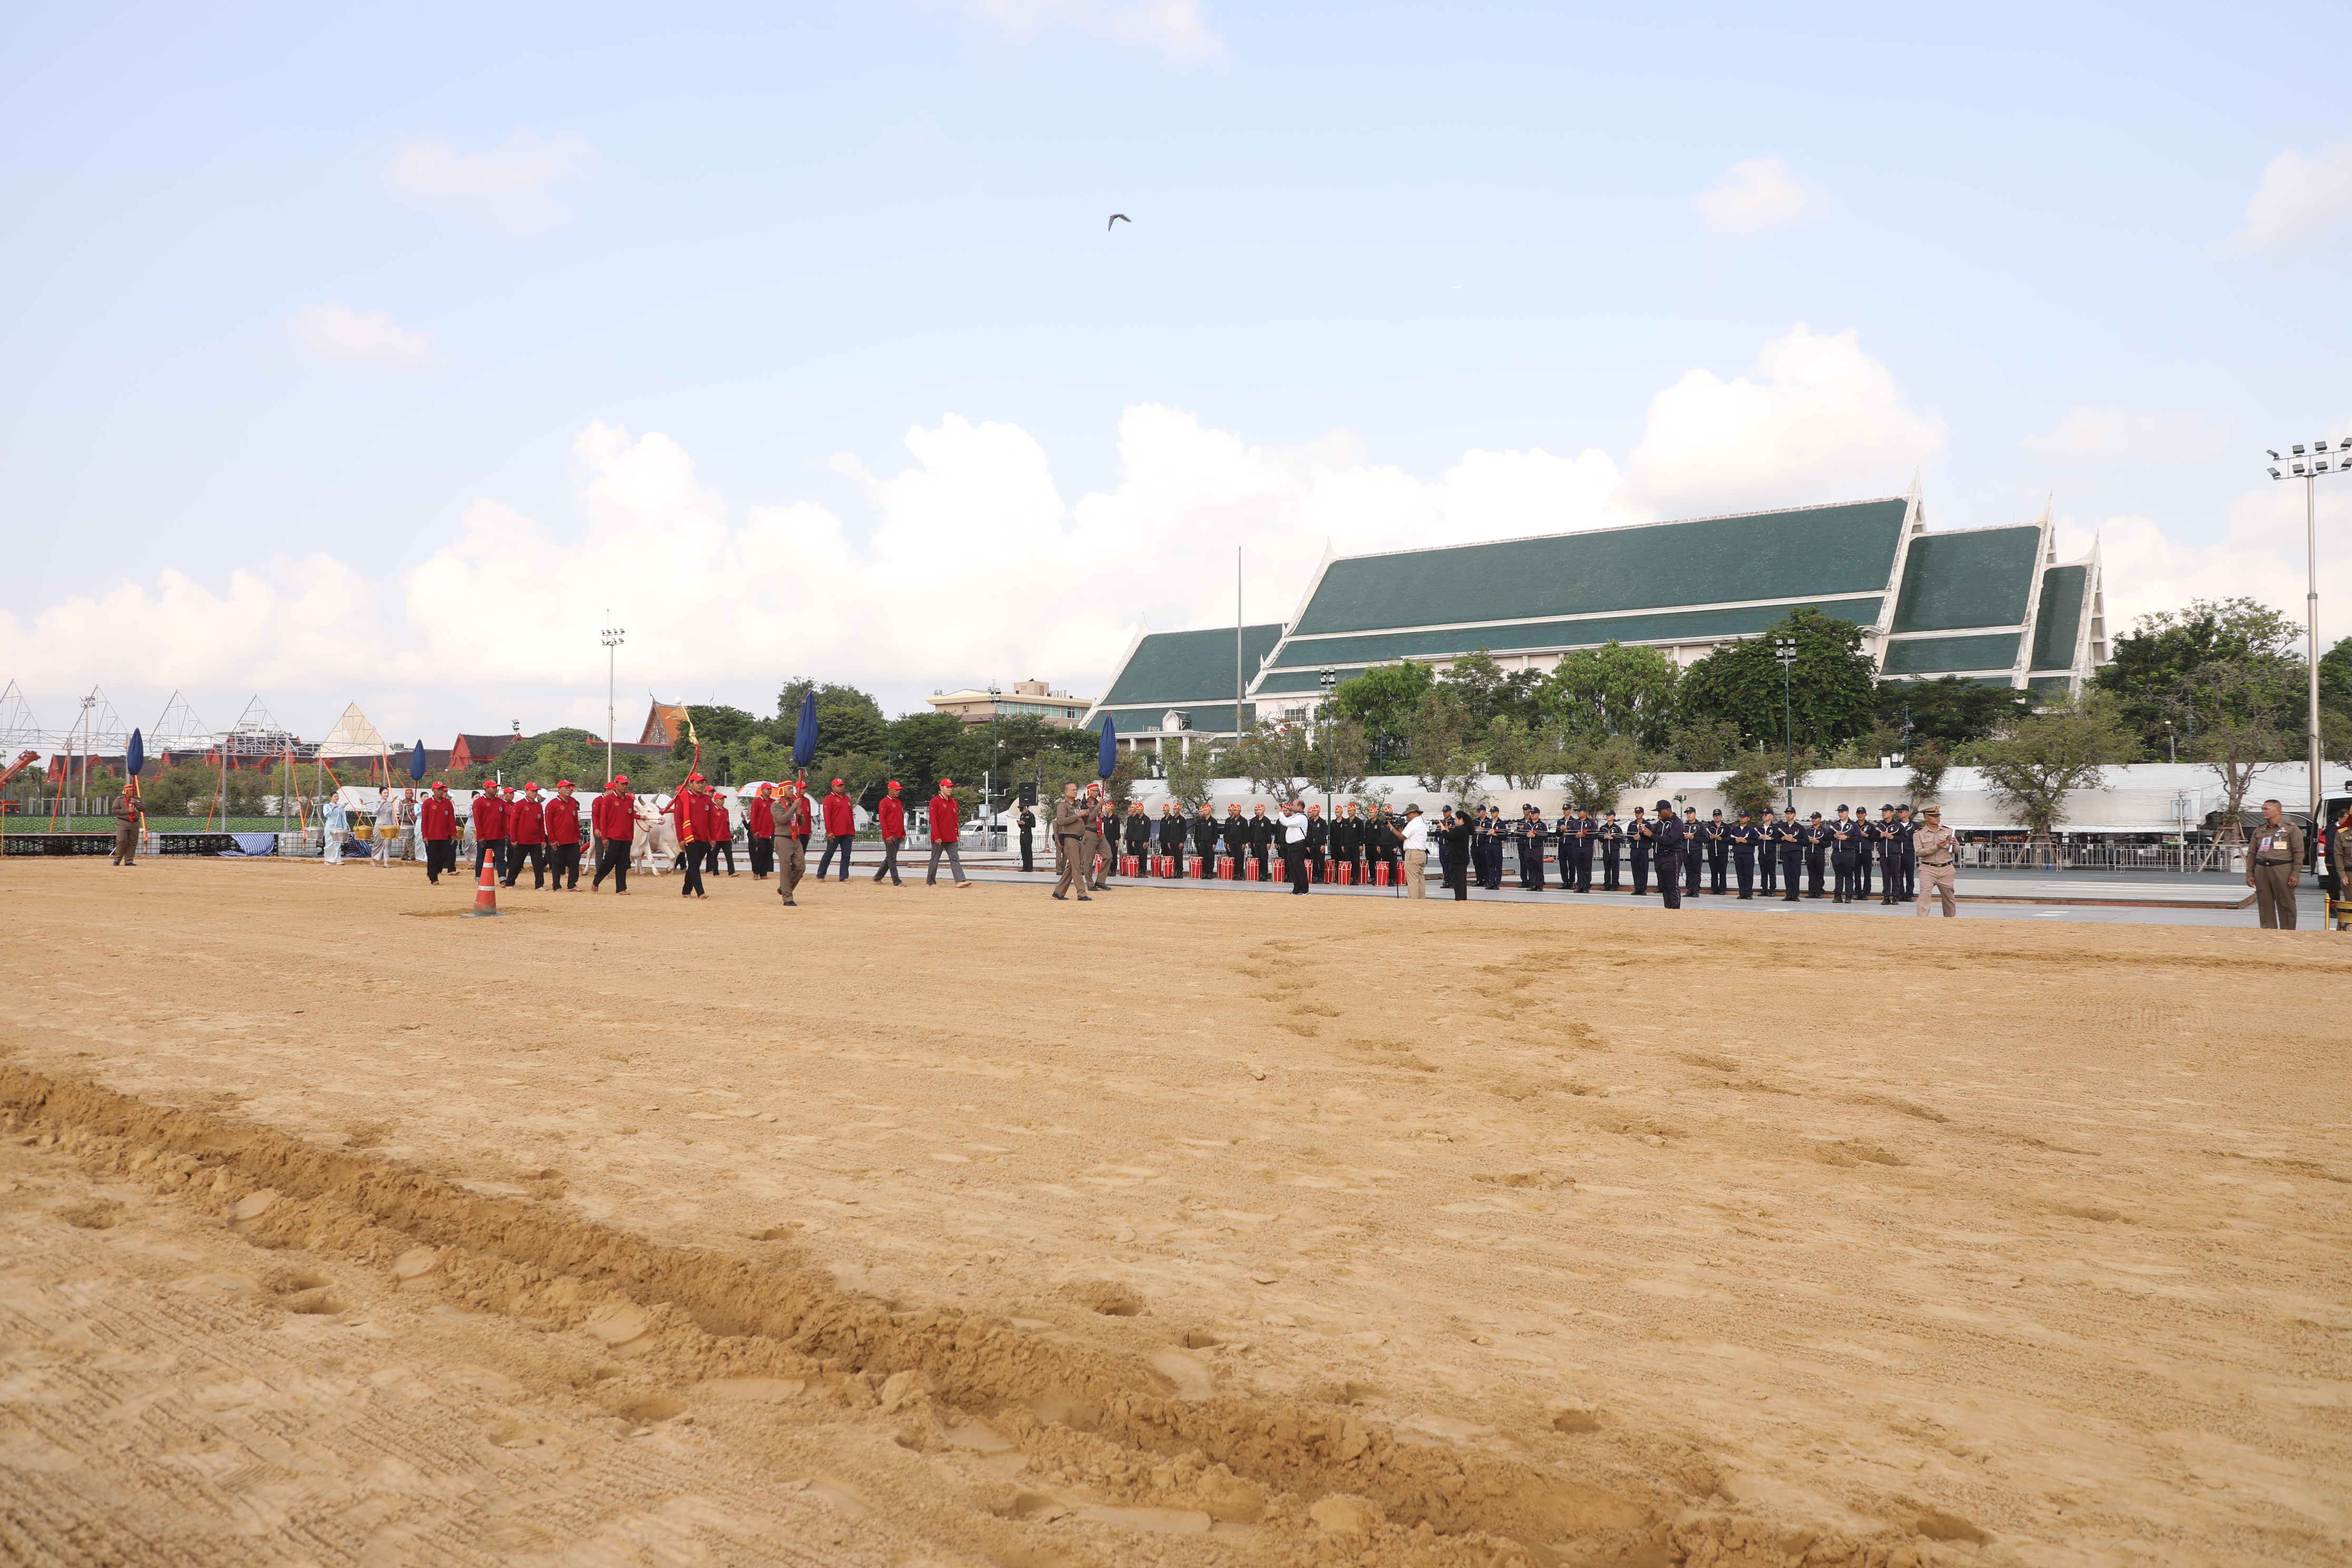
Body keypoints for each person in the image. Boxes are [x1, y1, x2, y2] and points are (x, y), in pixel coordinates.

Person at [2246, 798, 2305, 930]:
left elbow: (2299, 853)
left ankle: (2288, 931)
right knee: (2264, 903)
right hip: (2262, 869)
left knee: (2285, 902)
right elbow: (2252, 853)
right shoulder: (2260, 829)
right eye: (2262, 809)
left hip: (2282, 868)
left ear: (2278, 810)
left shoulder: (2291, 828)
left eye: (2266, 809)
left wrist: (2296, 873)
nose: (2263, 811)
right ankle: (2268, 930)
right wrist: (2250, 873)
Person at [1911, 805, 1958, 917]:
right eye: (1934, 816)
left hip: (1946, 868)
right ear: (1926, 818)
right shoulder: (1919, 834)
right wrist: (1936, 847)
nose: (1937, 818)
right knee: (1925, 893)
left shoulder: (1948, 831)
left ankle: (1950, 920)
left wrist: (1955, 845)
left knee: (1949, 896)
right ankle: (1923, 920)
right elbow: (1919, 852)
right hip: (1928, 868)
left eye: (1938, 816)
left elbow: (1957, 850)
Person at [590, 777, 634, 893]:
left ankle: (621, 888)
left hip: (626, 837)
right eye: (622, 784)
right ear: (616, 784)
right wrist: (605, 837)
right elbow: (603, 819)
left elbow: (631, 819)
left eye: (626, 784)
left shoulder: (630, 800)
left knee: (623, 863)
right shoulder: (609, 799)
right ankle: (597, 880)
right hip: (613, 836)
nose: (625, 786)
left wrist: (631, 836)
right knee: (609, 861)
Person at [927, 779, 973, 887]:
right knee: (935, 859)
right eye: (948, 787)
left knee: (955, 858)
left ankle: (960, 881)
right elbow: (933, 820)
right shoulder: (935, 801)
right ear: (941, 787)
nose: (950, 789)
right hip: (939, 837)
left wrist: (957, 834)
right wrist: (937, 835)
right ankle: (931, 882)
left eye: (951, 787)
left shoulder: (953, 802)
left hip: (951, 836)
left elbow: (955, 819)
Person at [772, 780, 811, 905]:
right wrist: (794, 808)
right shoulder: (776, 805)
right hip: (783, 839)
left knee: (801, 867)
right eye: (789, 789)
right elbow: (782, 820)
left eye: (792, 789)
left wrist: (800, 814)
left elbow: (801, 823)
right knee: (786, 870)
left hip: (795, 839)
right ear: (782, 791)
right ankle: (788, 898)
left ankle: (785, 888)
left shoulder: (793, 804)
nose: (792, 791)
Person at [1052, 782, 1092, 900]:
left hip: (1079, 838)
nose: (1075, 792)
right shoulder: (1063, 806)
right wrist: (1077, 815)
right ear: (1066, 792)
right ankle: (1082, 894)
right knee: (1076, 867)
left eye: (1076, 790)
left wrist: (1085, 815)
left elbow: (1084, 822)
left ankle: (1059, 891)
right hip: (1070, 838)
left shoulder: (1078, 805)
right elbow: (1061, 822)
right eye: (1073, 790)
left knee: (1072, 867)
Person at [506, 782, 547, 889]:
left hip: (536, 840)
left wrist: (543, 839)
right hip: (522, 840)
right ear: (526, 791)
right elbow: (513, 823)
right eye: (532, 791)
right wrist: (514, 838)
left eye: (536, 791)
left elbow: (541, 824)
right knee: (517, 862)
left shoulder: (538, 806)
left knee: (538, 863)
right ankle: (510, 883)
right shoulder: (519, 805)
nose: (535, 793)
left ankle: (539, 885)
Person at [546, 780, 583, 890]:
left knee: (575, 860)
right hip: (559, 839)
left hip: (572, 839)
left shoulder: (573, 802)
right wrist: (552, 839)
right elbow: (549, 823)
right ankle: (557, 885)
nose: (569, 790)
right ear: (559, 790)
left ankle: (572, 884)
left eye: (570, 788)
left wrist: (579, 837)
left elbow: (575, 820)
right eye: (566, 788)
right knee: (557, 863)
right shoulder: (552, 804)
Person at [818, 779, 857, 880]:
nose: (841, 787)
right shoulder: (829, 799)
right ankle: (821, 875)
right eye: (838, 786)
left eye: (842, 785)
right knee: (829, 853)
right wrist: (829, 831)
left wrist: (853, 830)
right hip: (835, 832)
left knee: (846, 855)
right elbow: (827, 816)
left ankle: (844, 876)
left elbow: (850, 815)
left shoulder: (847, 799)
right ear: (833, 787)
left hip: (847, 831)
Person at [420, 781, 458, 884]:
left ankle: (433, 872)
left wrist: (453, 832)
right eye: (439, 790)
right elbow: (424, 821)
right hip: (431, 835)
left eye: (442, 790)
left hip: (445, 835)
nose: (441, 792)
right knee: (432, 857)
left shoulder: (448, 803)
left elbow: (451, 819)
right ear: (433, 790)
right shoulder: (428, 803)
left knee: (444, 856)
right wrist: (425, 835)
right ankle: (434, 879)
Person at [1653, 798, 1687, 909]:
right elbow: (1652, 835)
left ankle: (1675, 909)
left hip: (1672, 856)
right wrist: (1643, 834)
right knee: (1664, 886)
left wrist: (1651, 835)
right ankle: (1668, 908)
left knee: (1672, 885)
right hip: (1660, 856)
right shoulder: (1660, 823)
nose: (1659, 814)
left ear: (1668, 810)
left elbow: (1670, 840)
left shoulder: (1677, 823)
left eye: (1660, 811)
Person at [871, 780, 907, 886]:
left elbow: (900, 818)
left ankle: (878, 877)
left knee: (891, 857)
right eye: (896, 790)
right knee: (892, 859)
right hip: (891, 835)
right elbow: (882, 819)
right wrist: (887, 835)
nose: (898, 792)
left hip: (898, 833)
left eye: (899, 790)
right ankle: (897, 881)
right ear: (890, 790)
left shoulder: (899, 802)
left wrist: (903, 832)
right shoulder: (885, 802)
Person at [471, 783, 507, 883]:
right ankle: (479, 879)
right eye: (493, 787)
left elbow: (504, 819)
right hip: (485, 837)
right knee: (481, 859)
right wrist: (480, 835)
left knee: (501, 858)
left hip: (498, 836)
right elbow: (477, 820)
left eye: (496, 787)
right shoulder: (479, 802)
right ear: (487, 788)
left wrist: (505, 833)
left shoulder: (501, 802)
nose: (496, 789)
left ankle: (503, 879)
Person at [1277, 798, 1310, 893]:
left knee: (1299, 868)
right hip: (1291, 846)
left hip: (1298, 845)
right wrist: (1282, 813)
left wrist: (1280, 812)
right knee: (1293, 868)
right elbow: (1284, 821)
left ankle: (1304, 889)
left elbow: (1288, 823)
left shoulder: (1302, 818)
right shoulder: (1296, 816)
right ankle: (1297, 888)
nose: (1292, 807)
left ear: (1300, 807)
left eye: (1294, 805)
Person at [1773, 807, 1804, 903]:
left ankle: (1795, 894)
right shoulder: (1782, 827)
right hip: (1785, 852)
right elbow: (1776, 840)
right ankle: (1789, 894)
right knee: (1787, 874)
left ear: (1795, 815)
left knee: (1796, 874)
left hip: (1796, 853)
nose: (1789, 815)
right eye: (1787, 814)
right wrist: (1782, 839)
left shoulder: (1800, 827)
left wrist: (1795, 840)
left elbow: (1806, 841)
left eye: (1791, 814)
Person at [746, 785, 776, 880]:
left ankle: (764, 873)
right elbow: (754, 817)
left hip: (771, 832)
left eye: (770, 789)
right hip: (760, 832)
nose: (769, 791)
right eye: (767, 789)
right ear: (762, 790)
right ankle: (756, 872)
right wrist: (754, 831)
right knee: (761, 852)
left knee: (768, 853)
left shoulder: (774, 802)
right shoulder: (757, 802)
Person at [1829, 804, 1858, 904]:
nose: (1841, 814)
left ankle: (1849, 895)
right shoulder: (1835, 825)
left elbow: (1858, 838)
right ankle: (1838, 895)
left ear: (1847, 812)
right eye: (1839, 812)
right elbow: (1827, 837)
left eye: (1842, 812)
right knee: (1838, 875)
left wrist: (1847, 838)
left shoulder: (1853, 825)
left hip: (1848, 852)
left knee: (1849, 875)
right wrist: (1834, 835)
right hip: (1837, 853)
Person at [1729, 811, 1761, 898]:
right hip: (1738, 854)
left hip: (1748, 854)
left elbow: (1757, 842)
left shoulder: (1751, 830)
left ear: (1748, 818)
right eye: (1741, 817)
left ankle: (1749, 893)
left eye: (1744, 817)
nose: (1742, 819)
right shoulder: (1735, 830)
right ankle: (1742, 892)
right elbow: (1729, 841)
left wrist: (1746, 841)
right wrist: (1735, 841)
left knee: (1748, 874)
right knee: (1740, 874)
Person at [372, 787, 404, 868]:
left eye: (387, 793)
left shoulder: (390, 803)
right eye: (384, 793)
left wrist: (395, 827)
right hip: (379, 825)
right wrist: (381, 805)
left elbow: (392, 816)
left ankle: (386, 862)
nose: (386, 794)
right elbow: (374, 813)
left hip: (389, 826)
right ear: (380, 794)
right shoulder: (377, 802)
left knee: (388, 844)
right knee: (377, 843)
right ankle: (373, 860)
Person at [1802, 812, 1828, 899]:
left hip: (1819, 854)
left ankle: (1819, 891)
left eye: (1816, 818)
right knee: (1811, 873)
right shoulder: (1808, 831)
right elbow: (1803, 842)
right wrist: (1808, 841)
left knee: (1820, 873)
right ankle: (1812, 891)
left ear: (1820, 819)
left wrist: (1819, 842)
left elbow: (1828, 843)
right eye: (1813, 818)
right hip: (1810, 854)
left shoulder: (1824, 831)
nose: (1814, 820)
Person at [1191, 802, 1219, 878]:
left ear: (1210, 811)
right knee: (1204, 857)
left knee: (1210, 857)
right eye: (1204, 810)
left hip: (1210, 842)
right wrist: (1199, 841)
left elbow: (1215, 833)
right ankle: (1205, 872)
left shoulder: (1213, 821)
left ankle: (1210, 872)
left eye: (1206, 810)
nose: (1205, 811)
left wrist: (1214, 843)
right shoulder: (1201, 821)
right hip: (1203, 841)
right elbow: (1199, 832)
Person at [1628, 806, 1651, 895]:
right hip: (1634, 849)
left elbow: (1650, 837)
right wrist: (1634, 838)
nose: (1638, 815)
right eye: (1637, 813)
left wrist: (1641, 839)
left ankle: (1643, 888)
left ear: (1643, 814)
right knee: (1635, 869)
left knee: (1644, 869)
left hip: (1643, 849)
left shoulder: (1647, 825)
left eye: (1639, 813)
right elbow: (1629, 836)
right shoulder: (1632, 825)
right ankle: (1637, 887)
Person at [1123, 801, 1151, 874]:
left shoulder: (1146, 819)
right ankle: (1138, 870)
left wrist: (1146, 841)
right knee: (1137, 855)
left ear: (1143, 809)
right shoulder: (1136, 819)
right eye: (1138, 809)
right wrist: (1133, 840)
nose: (1138, 811)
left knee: (1143, 856)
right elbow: (1134, 830)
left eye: (1139, 809)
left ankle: (1143, 870)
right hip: (1136, 840)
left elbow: (1148, 831)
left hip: (1143, 840)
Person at [1706, 809, 1730, 895]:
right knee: (1714, 871)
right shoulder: (1709, 827)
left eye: (1719, 815)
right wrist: (1710, 838)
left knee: (1722, 871)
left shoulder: (1726, 827)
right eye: (1716, 816)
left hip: (1722, 853)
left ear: (1722, 816)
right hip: (1712, 853)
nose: (1717, 817)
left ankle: (1722, 888)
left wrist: (1721, 839)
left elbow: (1729, 839)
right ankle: (1714, 888)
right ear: (1713, 817)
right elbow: (1705, 839)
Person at [1598, 809, 1622, 891]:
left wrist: (1613, 838)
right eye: (1607, 815)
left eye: (1610, 815)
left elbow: (1621, 840)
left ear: (1614, 817)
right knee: (1607, 868)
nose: (1608, 817)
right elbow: (1600, 838)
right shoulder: (1603, 828)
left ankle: (1615, 884)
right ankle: (1607, 884)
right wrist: (1604, 838)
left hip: (1614, 851)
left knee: (1615, 868)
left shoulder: (1617, 828)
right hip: (1606, 851)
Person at [321, 792, 347, 866]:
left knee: (338, 843)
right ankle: (328, 860)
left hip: (339, 827)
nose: (336, 798)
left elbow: (343, 818)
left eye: (337, 797)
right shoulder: (327, 806)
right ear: (331, 797)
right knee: (329, 843)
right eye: (335, 797)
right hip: (330, 826)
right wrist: (333, 808)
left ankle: (338, 860)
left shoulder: (341, 806)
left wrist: (345, 828)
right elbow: (326, 815)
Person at [1017, 800, 1036, 873]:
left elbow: (1033, 825)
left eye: (1023, 811)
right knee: (1023, 851)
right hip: (1022, 834)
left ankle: (1030, 867)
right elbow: (1021, 826)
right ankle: (1025, 866)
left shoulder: (1031, 815)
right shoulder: (1022, 816)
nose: (1022, 812)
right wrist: (1020, 824)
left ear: (1025, 809)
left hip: (1028, 835)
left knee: (1028, 851)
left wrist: (1025, 823)